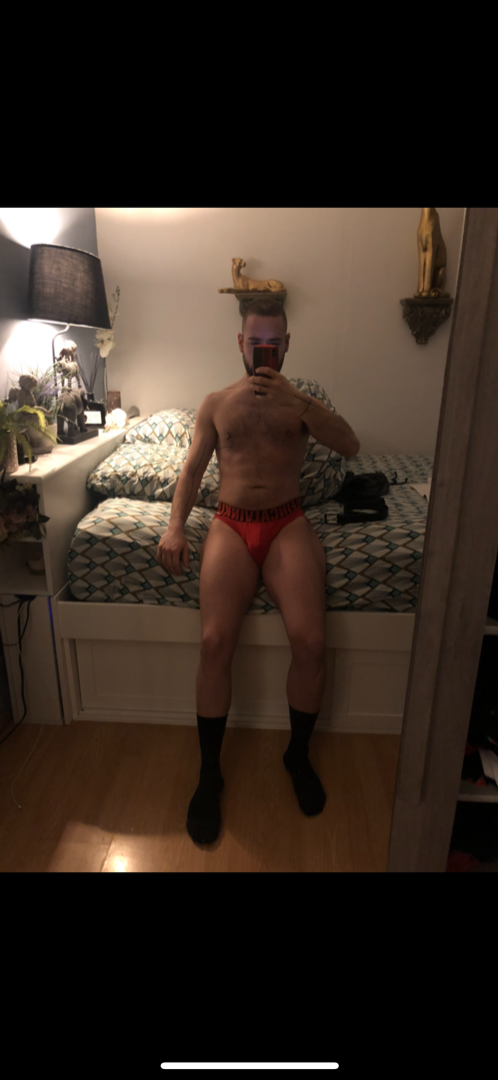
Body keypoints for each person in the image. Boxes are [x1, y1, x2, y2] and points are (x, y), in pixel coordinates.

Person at [157, 299, 360, 844]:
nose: (263, 352)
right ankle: (209, 773)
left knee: (311, 643)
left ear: (287, 345)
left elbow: (350, 445)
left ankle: (297, 754)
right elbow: (192, 471)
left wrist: (301, 403)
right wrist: (174, 527)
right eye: (255, 343)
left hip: (287, 523)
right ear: (240, 344)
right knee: (213, 642)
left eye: (273, 344)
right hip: (230, 523)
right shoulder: (217, 404)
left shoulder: (303, 404)